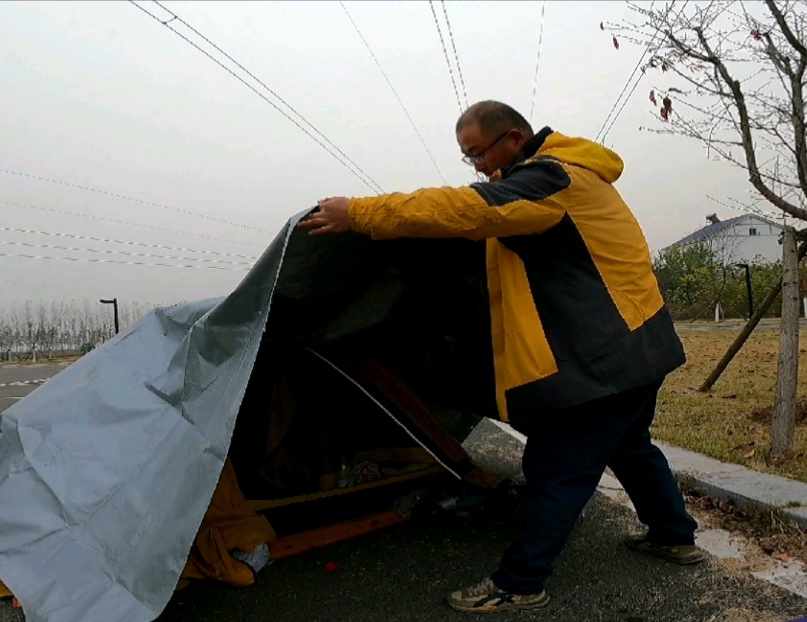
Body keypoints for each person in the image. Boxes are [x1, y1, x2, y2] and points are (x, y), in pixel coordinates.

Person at [297, 100, 703, 614]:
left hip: (605, 359)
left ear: (513, 137)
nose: (478, 167)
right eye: (468, 158)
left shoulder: (548, 179)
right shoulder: (569, 174)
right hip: (639, 346)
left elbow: (467, 209)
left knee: (557, 466)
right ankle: (673, 535)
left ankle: (520, 581)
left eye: (477, 154)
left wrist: (357, 214)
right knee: (631, 448)